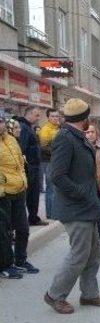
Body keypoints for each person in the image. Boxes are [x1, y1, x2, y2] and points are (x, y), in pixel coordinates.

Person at [44, 99, 100, 314]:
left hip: (86, 205)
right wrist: (82, 193)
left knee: (93, 252)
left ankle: (89, 294)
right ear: (85, 118)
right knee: (79, 253)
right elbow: (57, 176)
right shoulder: (65, 138)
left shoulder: (76, 136)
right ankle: (55, 295)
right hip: (75, 207)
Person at [0, 116, 35, 278]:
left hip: (19, 190)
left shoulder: (11, 140)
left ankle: (21, 260)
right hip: (3, 193)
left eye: (1, 122)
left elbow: (20, 162)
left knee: (23, 228)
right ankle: (5, 265)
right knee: (5, 232)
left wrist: (24, 180)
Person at [15, 106, 46, 226]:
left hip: (33, 166)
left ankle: (33, 218)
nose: (38, 118)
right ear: (29, 114)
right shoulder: (23, 128)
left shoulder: (29, 127)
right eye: (36, 115)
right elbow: (21, 149)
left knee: (34, 194)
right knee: (29, 194)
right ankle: (25, 220)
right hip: (29, 167)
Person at [38, 108, 61, 218]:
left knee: (56, 187)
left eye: (57, 116)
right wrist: (58, 151)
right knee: (51, 187)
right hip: (49, 162)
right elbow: (43, 147)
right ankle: (51, 214)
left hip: (57, 161)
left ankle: (55, 212)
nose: (55, 118)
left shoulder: (58, 128)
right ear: (48, 118)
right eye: (53, 116)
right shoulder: (45, 130)